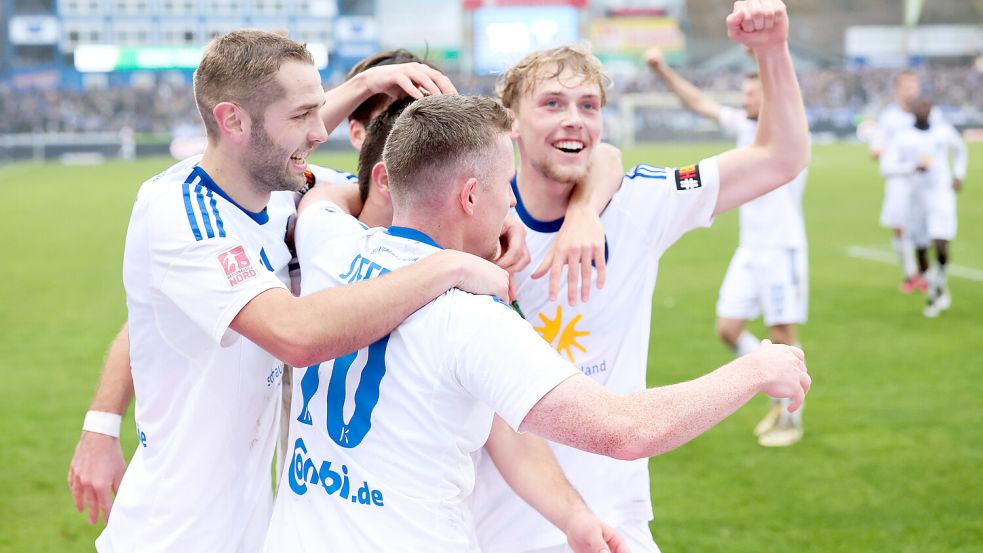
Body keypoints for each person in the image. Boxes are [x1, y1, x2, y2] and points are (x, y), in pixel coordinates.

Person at [264, 92, 809, 552]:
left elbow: (323, 195)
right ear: (471, 196)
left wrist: (573, 516)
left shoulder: (329, 247)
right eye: (505, 189)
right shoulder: (470, 315)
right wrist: (759, 368)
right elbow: (624, 430)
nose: (510, 208)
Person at [94, 30, 510, 553]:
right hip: (173, 534)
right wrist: (447, 267)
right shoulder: (181, 213)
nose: (319, 131)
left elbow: (393, 195)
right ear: (233, 121)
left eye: (320, 110)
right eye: (300, 116)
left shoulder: (286, 196)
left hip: (254, 528)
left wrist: (490, 218)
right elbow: (295, 336)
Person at [472, 1, 811, 551]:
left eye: (588, 105)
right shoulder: (473, 220)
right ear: (510, 119)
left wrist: (771, 49)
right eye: (552, 103)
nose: (573, 118)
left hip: (617, 523)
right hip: (501, 528)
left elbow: (780, 155)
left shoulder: (640, 201)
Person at [644, 47, 809, 447]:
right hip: (750, 249)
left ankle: (793, 416)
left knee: (783, 334)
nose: (745, 98)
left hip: (780, 247)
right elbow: (698, 102)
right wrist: (661, 68)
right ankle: (773, 385)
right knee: (728, 329)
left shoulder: (788, 133)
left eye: (753, 93)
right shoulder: (743, 126)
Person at [879, 97, 968, 318]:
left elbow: (960, 151)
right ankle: (933, 289)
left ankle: (939, 283)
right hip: (915, 198)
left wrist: (958, 175)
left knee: (940, 242)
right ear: (912, 111)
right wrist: (912, 167)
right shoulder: (903, 137)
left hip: (941, 195)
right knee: (921, 248)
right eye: (918, 107)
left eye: (926, 107)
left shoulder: (943, 132)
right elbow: (887, 167)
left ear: (932, 110)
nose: (923, 110)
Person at [870, 70, 946, 293]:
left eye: (914, 86)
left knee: (926, 226)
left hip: (927, 180)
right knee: (900, 226)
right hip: (900, 180)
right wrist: (879, 151)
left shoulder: (932, 113)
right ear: (898, 89)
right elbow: (877, 146)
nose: (911, 91)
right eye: (907, 86)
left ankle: (924, 270)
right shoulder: (889, 117)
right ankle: (911, 273)